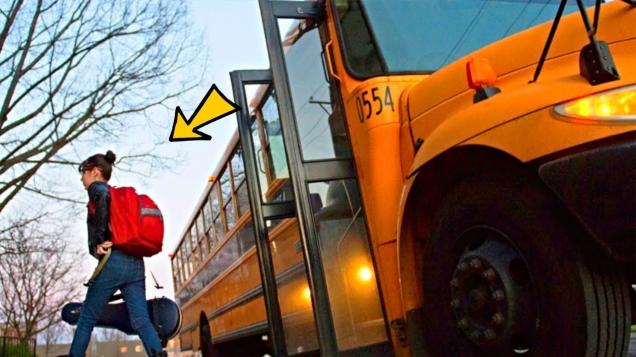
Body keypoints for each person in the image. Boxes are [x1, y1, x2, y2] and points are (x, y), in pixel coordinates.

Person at [68, 150, 166, 357]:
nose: (82, 179)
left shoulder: (99, 189)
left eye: (83, 174)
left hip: (114, 261)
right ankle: (157, 354)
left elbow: (102, 197)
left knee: (86, 319)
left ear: (95, 172)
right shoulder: (117, 195)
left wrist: (99, 240)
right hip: (135, 264)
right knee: (141, 320)